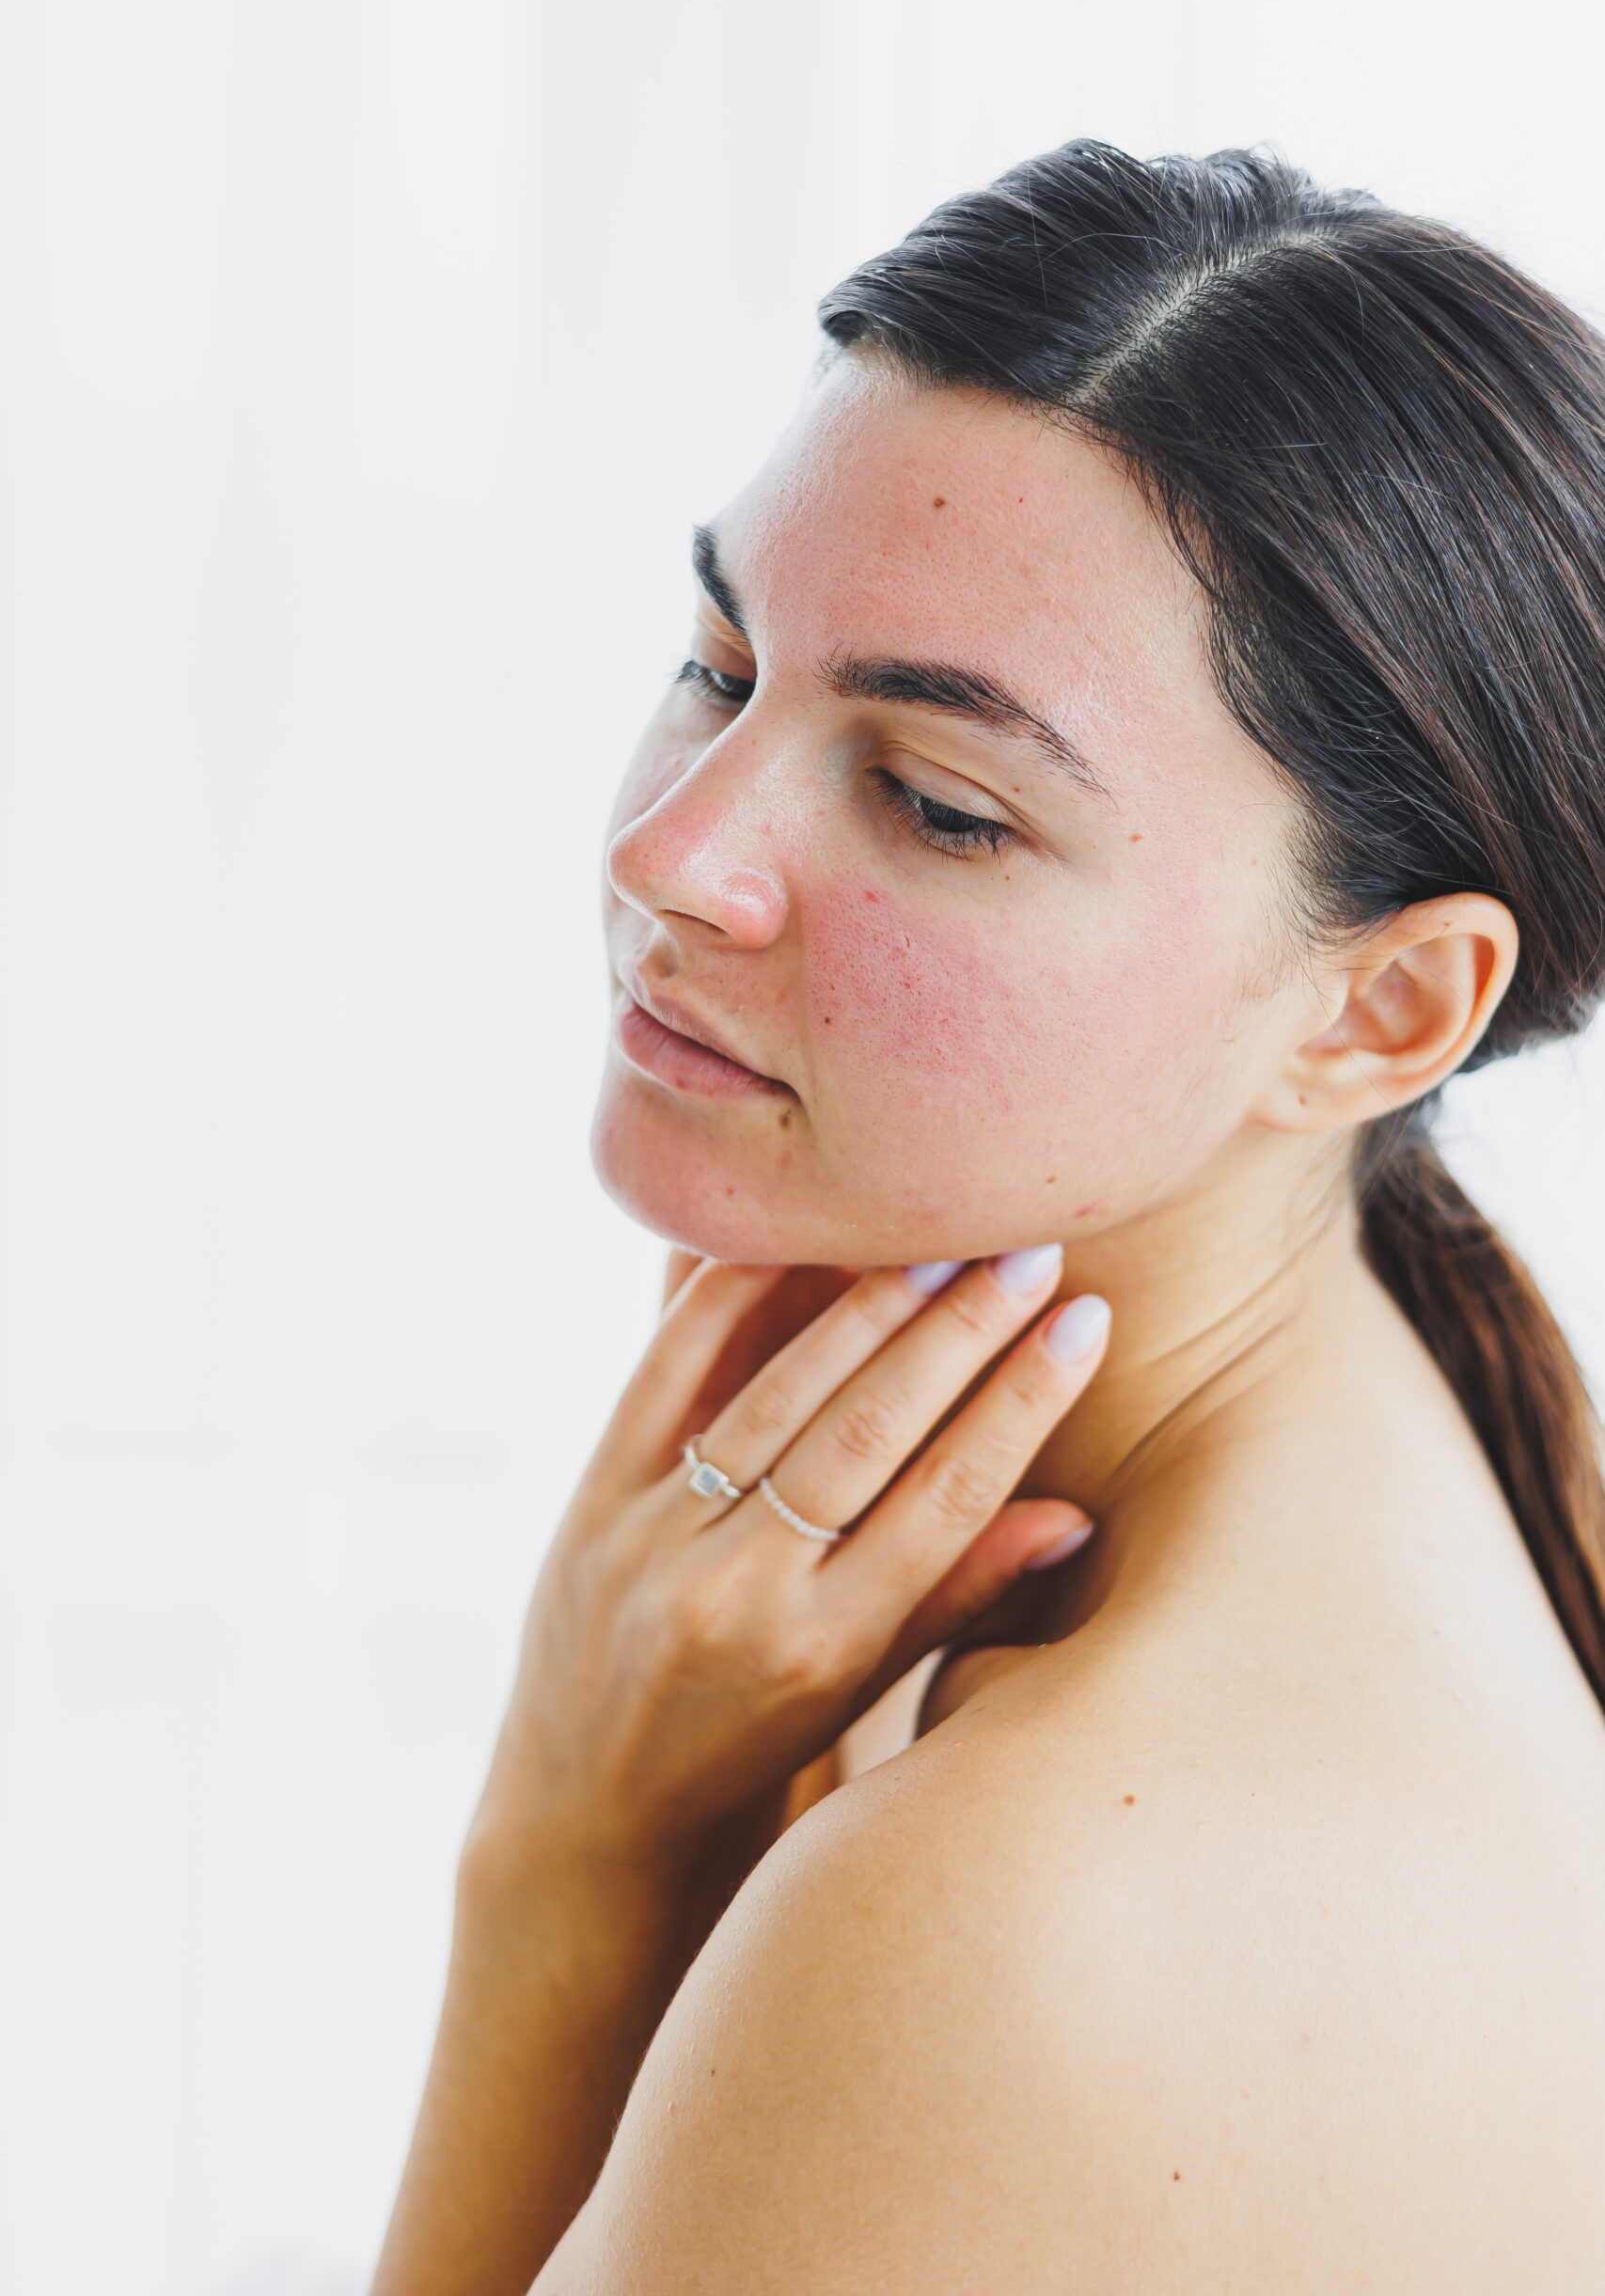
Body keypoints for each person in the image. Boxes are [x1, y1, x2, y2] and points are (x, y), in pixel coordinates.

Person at [370, 143, 1605, 2293]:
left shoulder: (1018, 1911)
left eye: (938, 803)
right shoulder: (1371, 1462)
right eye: (719, 663)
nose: (673, 855)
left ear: (1380, 1006)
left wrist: (561, 1869)